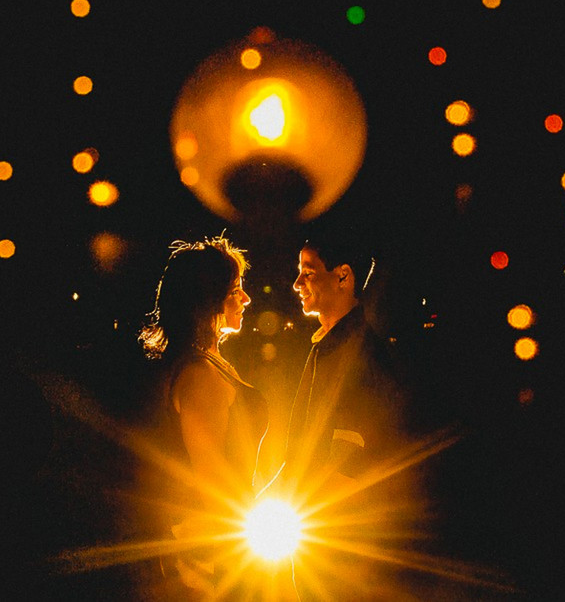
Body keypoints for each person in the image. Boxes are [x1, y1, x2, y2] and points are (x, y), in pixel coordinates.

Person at [281, 233, 410, 600]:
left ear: (343, 276)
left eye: (308, 272)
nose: (297, 284)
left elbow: (348, 457)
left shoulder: (359, 352)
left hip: (338, 552)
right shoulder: (329, 347)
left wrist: (294, 515)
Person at [138, 235, 267, 598]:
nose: (246, 299)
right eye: (235, 290)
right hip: (217, 555)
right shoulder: (199, 375)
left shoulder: (213, 363)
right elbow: (214, 484)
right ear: (207, 298)